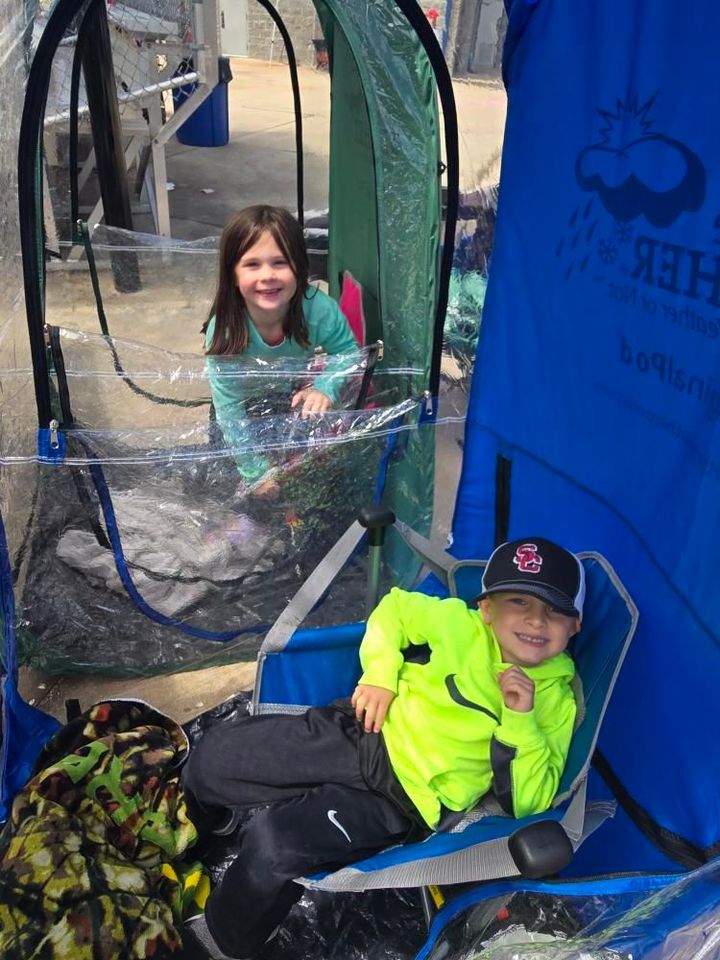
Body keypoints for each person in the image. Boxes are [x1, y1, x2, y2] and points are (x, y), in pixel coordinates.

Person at [182, 536, 584, 960]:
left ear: (574, 626)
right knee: (214, 758)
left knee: (274, 843)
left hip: (400, 799)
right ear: (486, 608)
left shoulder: (555, 701)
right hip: (361, 731)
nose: (537, 621)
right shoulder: (459, 623)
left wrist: (520, 719)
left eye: (556, 610)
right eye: (519, 601)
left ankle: (222, 942)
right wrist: (380, 675)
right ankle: (204, 826)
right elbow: (395, 609)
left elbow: (532, 801)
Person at [203, 205, 359, 495]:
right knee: (227, 479)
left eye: (280, 263)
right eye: (252, 265)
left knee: (295, 477)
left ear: (300, 267)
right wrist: (254, 472)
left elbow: (348, 352)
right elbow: (229, 410)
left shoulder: (318, 309)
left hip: (287, 399)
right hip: (235, 413)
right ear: (232, 275)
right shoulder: (225, 329)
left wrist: (324, 387)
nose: (268, 275)